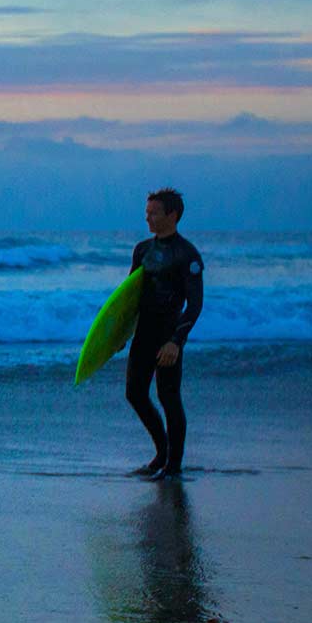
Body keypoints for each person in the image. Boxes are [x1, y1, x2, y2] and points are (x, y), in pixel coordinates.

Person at [127, 187, 204, 480]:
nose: (148, 218)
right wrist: (120, 332)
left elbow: (195, 304)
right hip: (144, 332)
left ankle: (173, 466)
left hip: (168, 335)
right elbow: (130, 297)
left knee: (168, 396)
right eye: (146, 213)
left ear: (172, 215)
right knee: (134, 393)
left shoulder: (187, 254)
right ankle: (161, 452)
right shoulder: (142, 250)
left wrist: (176, 341)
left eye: (154, 213)